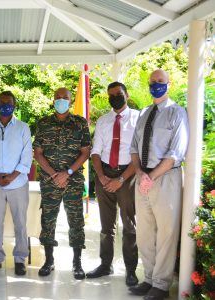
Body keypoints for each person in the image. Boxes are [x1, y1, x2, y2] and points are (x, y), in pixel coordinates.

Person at [129, 69, 189, 300]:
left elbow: (176, 153)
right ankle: (149, 278)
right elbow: (134, 148)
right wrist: (140, 173)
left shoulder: (177, 113)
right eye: (152, 82)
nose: (156, 85)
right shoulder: (144, 113)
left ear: (169, 84)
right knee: (144, 232)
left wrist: (150, 176)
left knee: (166, 232)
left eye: (160, 81)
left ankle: (162, 285)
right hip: (142, 178)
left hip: (165, 179)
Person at [33, 87, 90, 280]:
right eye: (57, 97)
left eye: (64, 98)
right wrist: (53, 174)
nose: (60, 100)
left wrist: (67, 173)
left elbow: (85, 152)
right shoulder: (43, 124)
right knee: (48, 220)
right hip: (49, 182)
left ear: (71, 101)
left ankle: (77, 263)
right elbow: (38, 153)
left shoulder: (80, 123)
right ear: (53, 100)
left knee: (76, 221)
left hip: (73, 181)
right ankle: (49, 261)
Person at [87, 82, 139, 286]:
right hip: (105, 174)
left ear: (127, 94)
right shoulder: (103, 121)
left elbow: (138, 155)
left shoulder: (138, 118)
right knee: (106, 226)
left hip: (128, 174)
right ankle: (105, 265)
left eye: (118, 94)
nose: (114, 97)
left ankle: (131, 270)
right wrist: (101, 177)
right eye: (111, 95)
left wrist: (120, 179)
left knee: (129, 225)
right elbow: (96, 152)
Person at [0, 91, 32, 276]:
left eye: (8, 102)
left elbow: (27, 156)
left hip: (18, 184)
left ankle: (20, 259)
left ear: (14, 104)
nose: (5, 105)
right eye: (1, 102)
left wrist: (12, 176)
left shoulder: (23, 128)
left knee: (20, 222)